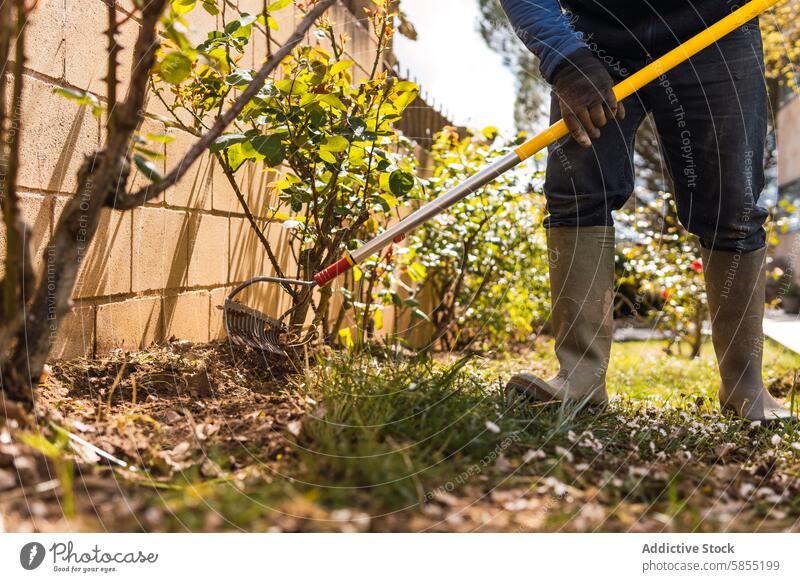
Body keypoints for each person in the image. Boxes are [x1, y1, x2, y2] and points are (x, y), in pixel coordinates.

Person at [500, 0, 793, 421]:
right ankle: (580, 377)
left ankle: (746, 388)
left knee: (734, 208)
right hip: (594, 34)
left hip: (718, 26)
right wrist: (565, 58)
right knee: (578, 193)